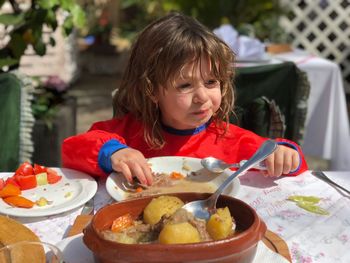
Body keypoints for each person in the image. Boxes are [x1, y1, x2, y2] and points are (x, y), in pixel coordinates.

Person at [62, 12, 308, 185]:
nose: (202, 97)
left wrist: (287, 154)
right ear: (152, 90)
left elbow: (293, 165)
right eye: (185, 85)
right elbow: (71, 149)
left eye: (211, 82)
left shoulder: (231, 140)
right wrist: (112, 153)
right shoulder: (130, 132)